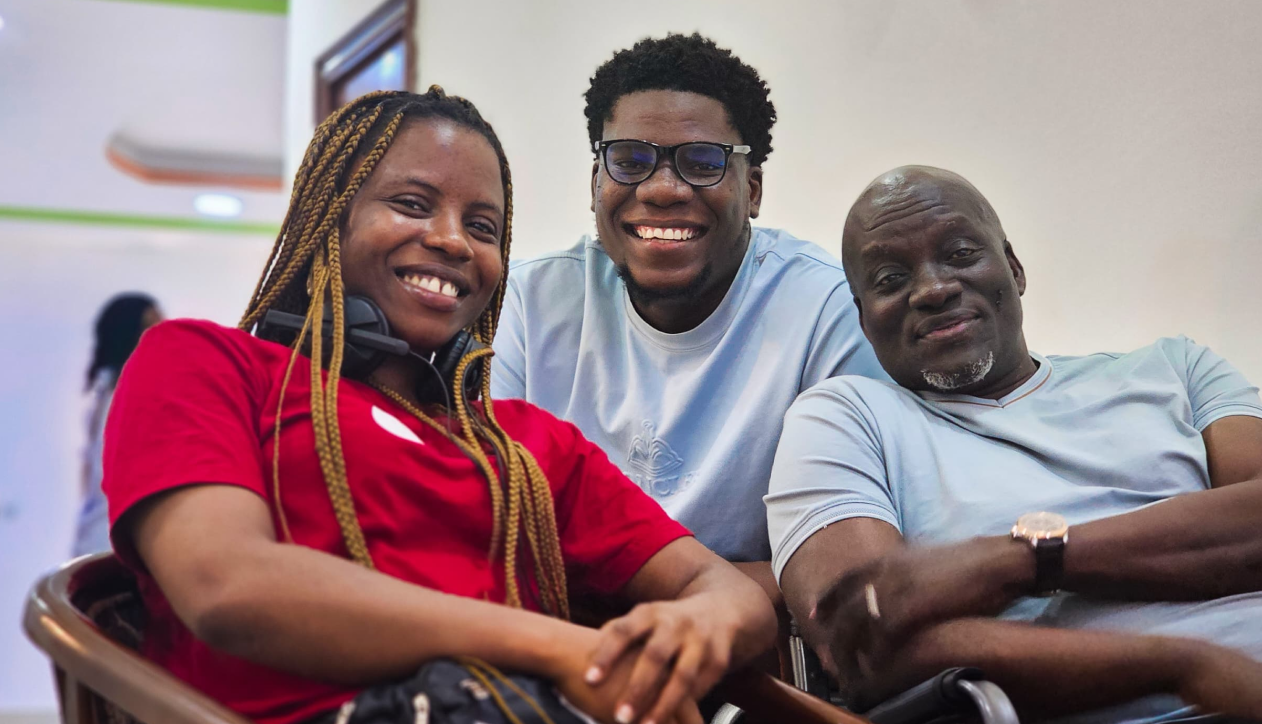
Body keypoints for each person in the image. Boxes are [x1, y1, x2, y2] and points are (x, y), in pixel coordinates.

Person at [102, 88, 775, 724]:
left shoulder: (530, 447)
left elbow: (729, 592)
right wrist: (562, 650)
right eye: (414, 203)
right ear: (328, 216)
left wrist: (688, 629)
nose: (454, 240)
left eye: (482, 226)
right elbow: (226, 585)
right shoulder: (205, 363)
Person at [766, 166, 1262, 723]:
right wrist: (1183, 666)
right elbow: (865, 645)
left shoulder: (1176, 369)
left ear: (1013, 268)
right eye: (890, 279)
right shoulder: (845, 419)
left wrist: (1012, 562)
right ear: (864, 319)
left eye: (960, 253)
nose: (934, 288)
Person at [490, 33, 885, 611]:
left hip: (746, 666)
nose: (663, 188)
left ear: (751, 190)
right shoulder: (527, 301)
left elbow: (846, 571)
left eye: (703, 163)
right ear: (596, 181)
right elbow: (489, 530)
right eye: (629, 160)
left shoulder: (825, 307)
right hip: (553, 645)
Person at [73, 292, 163, 557]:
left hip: (97, 540)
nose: (162, 333)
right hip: (113, 547)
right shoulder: (127, 395)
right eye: (151, 326)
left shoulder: (103, 394)